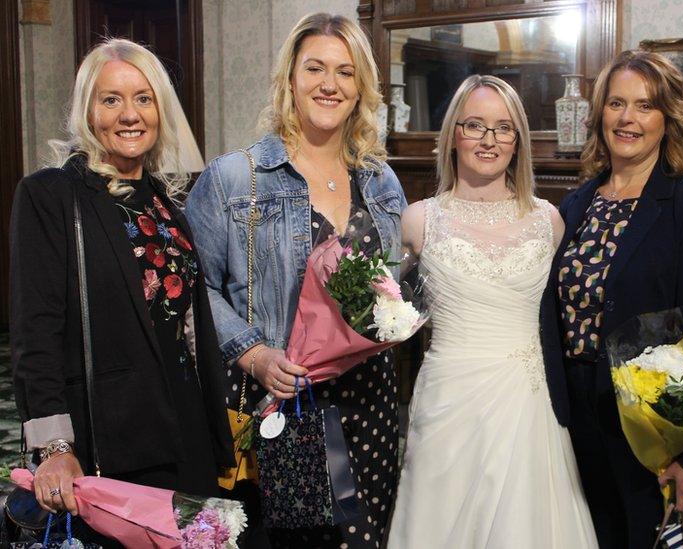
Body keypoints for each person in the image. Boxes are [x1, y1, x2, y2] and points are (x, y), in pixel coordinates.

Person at [184, 12, 405, 548]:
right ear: (289, 79)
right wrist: (254, 354)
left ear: (361, 89)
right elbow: (193, 293)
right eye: (315, 68)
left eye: (345, 72)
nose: (330, 84)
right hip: (285, 404)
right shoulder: (237, 178)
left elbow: (392, 289)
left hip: (371, 403)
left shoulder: (381, 179)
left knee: (368, 538)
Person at [10, 38, 234, 524]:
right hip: (109, 436)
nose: (129, 114)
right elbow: (36, 333)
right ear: (88, 112)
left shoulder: (164, 201)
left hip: (185, 427)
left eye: (143, 98)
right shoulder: (49, 196)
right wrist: (54, 448)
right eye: (111, 99)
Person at [386, 74, 598, 548]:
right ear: (453, 134)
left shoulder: (550, 220)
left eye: (503, 128)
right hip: (449, 404)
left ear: (518, 140)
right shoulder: (418, 220)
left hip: (528, 404)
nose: (489, 140)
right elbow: (379, 309)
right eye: (475, 125)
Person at [539, 49, 683, 548]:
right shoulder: (577, 204)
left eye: (644, 106)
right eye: (616, 104)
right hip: (573, 415)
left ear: (667, 120)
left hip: (649, 429)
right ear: (599, 112)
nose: (627, 119)